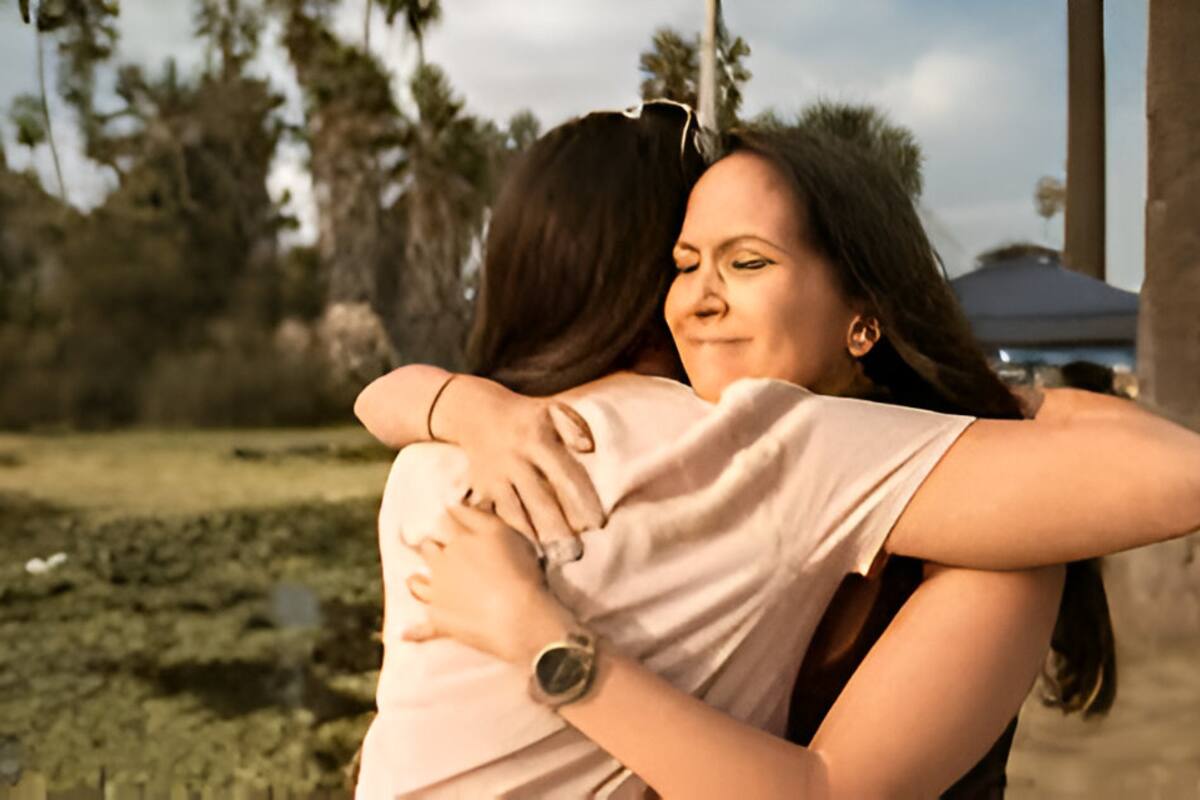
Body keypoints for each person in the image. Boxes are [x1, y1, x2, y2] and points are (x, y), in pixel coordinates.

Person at [354, 116, 1195, 798]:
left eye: (747, 262)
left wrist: (547, 644)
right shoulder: (709, 467)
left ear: (864, 319)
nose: (699, 301)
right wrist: (471, 405)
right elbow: (382, 400)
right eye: (682, 267)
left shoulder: (963, 526)